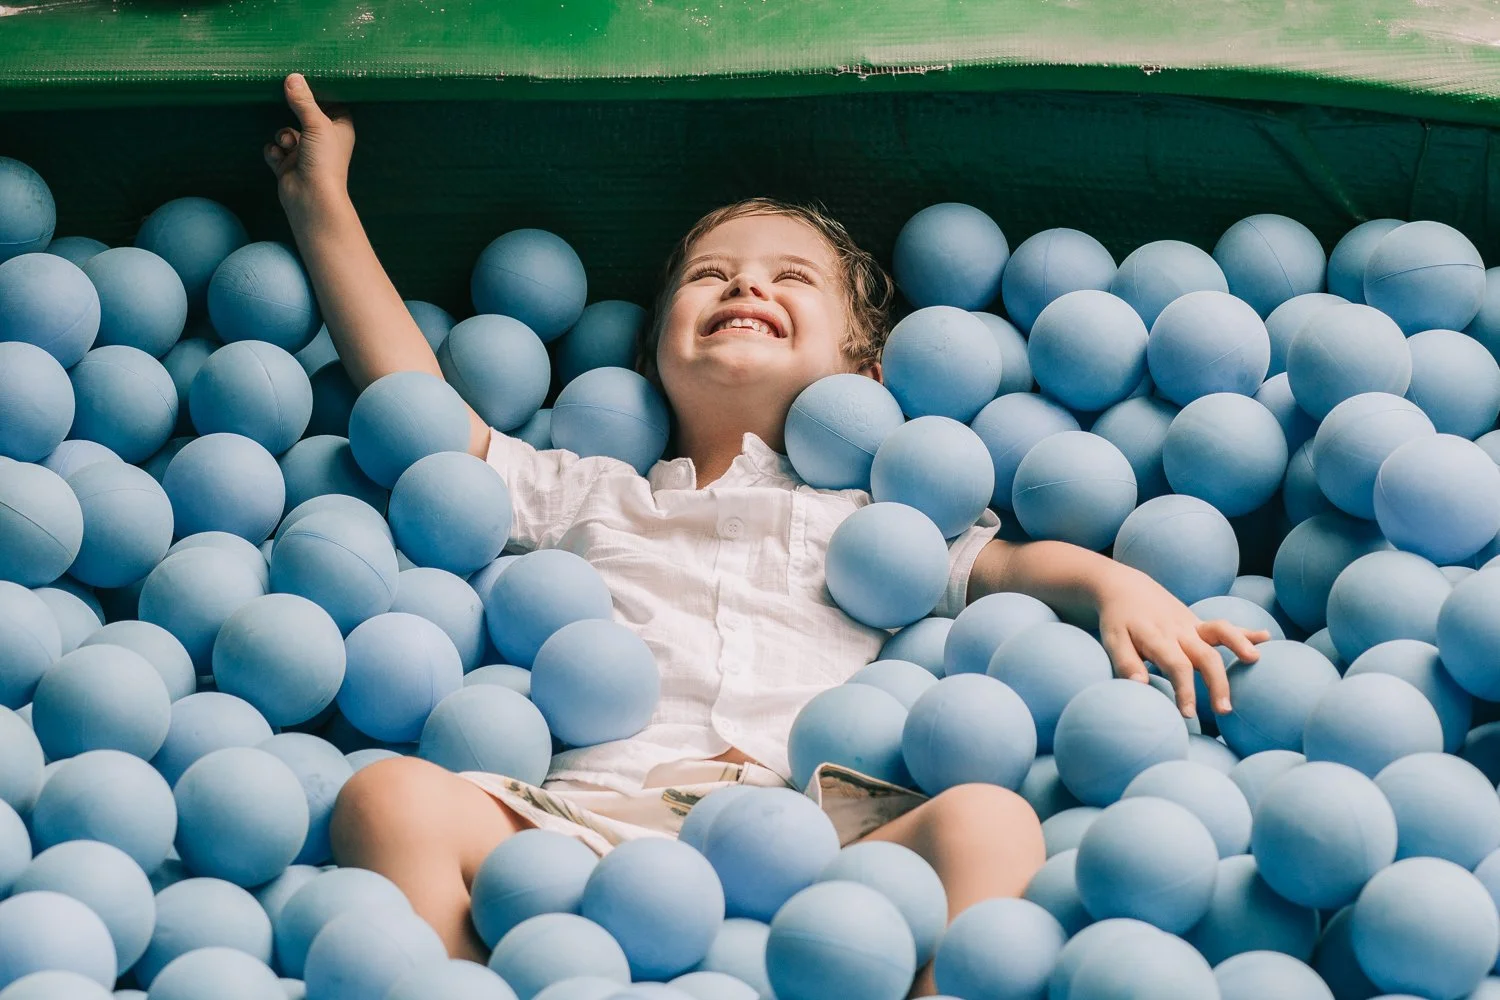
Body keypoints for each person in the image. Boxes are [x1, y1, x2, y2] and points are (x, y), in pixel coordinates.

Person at [263, 72, 1267, 990]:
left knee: (989, 820)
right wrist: (323, 203)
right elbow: (421, 413)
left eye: (791, 279)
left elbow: (1002, 566)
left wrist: (1110, 586)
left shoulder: (876, 517)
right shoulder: (591, 494)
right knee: (389, 798)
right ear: (656, 348)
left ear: (865, 373)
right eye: (710, 276)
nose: (747, 286)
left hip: (818, 831)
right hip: (594, 826)